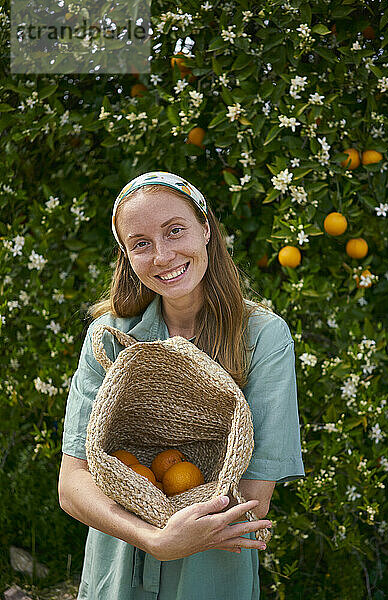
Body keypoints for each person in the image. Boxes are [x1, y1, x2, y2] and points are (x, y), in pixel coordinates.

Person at [58, 171, 305, 600]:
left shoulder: (263, 337)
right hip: (116, 571)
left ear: (205, 227)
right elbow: (72, 484)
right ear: (127, 256)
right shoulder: (109, 336)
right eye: (141, 244)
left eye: (175, 231)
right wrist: (154, 539)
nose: (162, 255)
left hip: (208, 576)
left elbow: (253, 499)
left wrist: (169, 529)